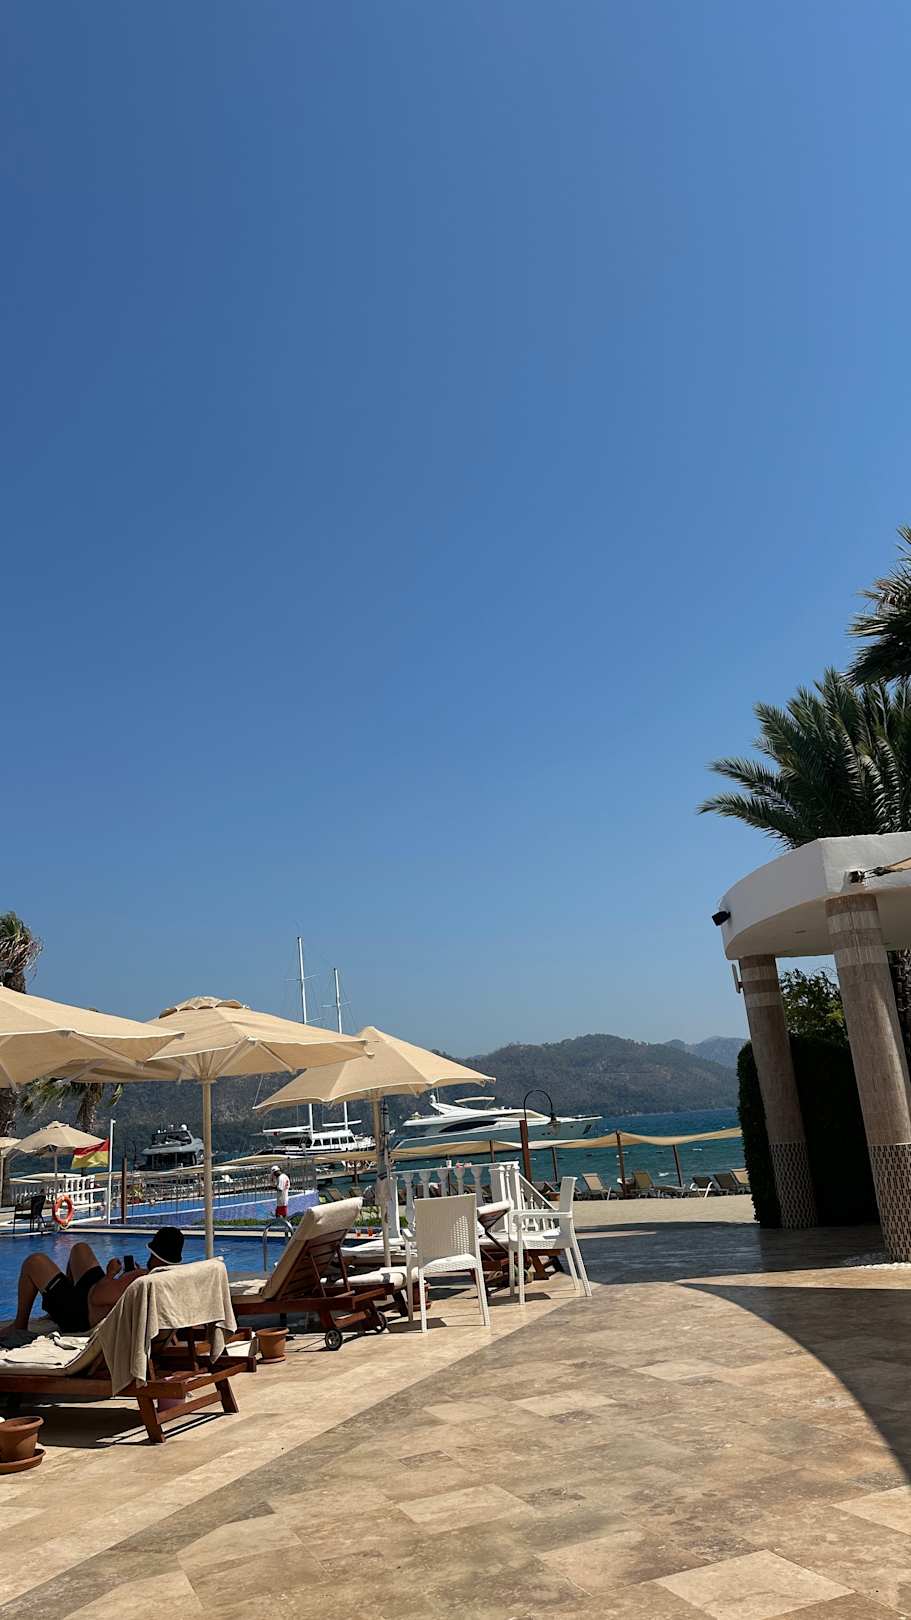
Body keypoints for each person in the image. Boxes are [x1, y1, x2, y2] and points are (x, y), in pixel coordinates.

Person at [13, 1225, 185, 1334]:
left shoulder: (142, 1279)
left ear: (153, 1252)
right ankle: (56, 1308)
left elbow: (97, 1297)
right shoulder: (170, 1279)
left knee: (34, 1261)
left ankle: (19, 1325)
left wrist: (111, 1273)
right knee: (80, 1249)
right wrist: (123, 1278)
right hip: (92, 1299)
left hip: (80, 1316)